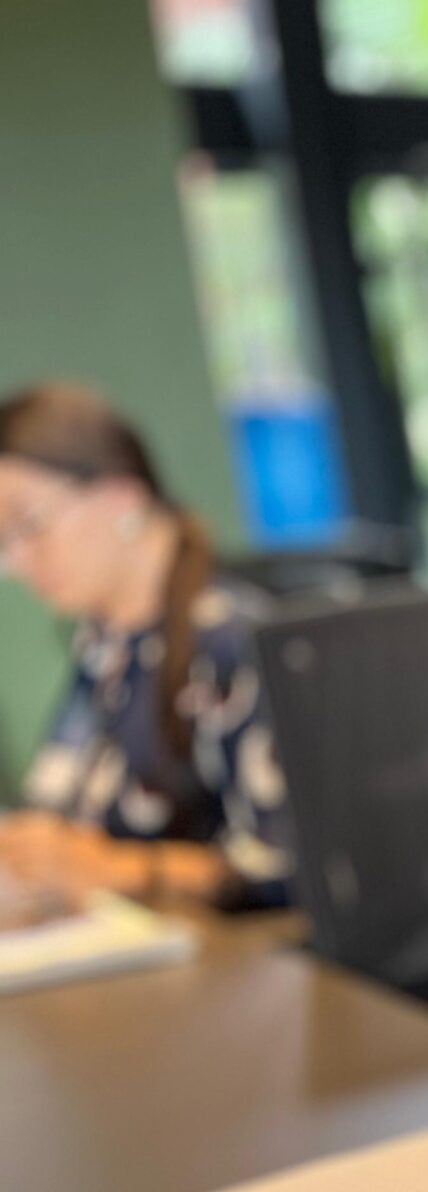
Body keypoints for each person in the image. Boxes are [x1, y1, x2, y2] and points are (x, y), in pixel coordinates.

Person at [0, 383, 290, 908]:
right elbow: (57, 809)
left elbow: (283, 865)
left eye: (27, 524)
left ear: (121, 499)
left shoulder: (228, 643)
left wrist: (115, 868)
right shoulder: (105, 646)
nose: (17, 562)